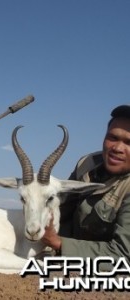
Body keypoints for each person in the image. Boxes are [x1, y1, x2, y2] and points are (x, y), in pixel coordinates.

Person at [42, 104, 130, 269]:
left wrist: (57, 243)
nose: (117, 148)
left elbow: (124, 256)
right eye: (113, 137)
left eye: (129, 142)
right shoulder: (87, 164)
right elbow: (61, 210)